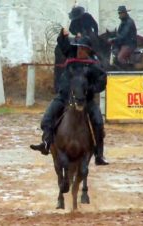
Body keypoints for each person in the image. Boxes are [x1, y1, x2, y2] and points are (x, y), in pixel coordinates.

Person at [30, 28, 109, 165]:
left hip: (85, 100)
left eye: (83, 49)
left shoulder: (94, 65)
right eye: (79, 47)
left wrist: (90, 90)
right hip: (64, 97)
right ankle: (46, 143)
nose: (80, 51)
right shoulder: (70, 55)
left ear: (89, 50)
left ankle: (99, 154)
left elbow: (102, 80)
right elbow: (63, 44)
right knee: (47, 119)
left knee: (98, 122)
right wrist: (63, 35)